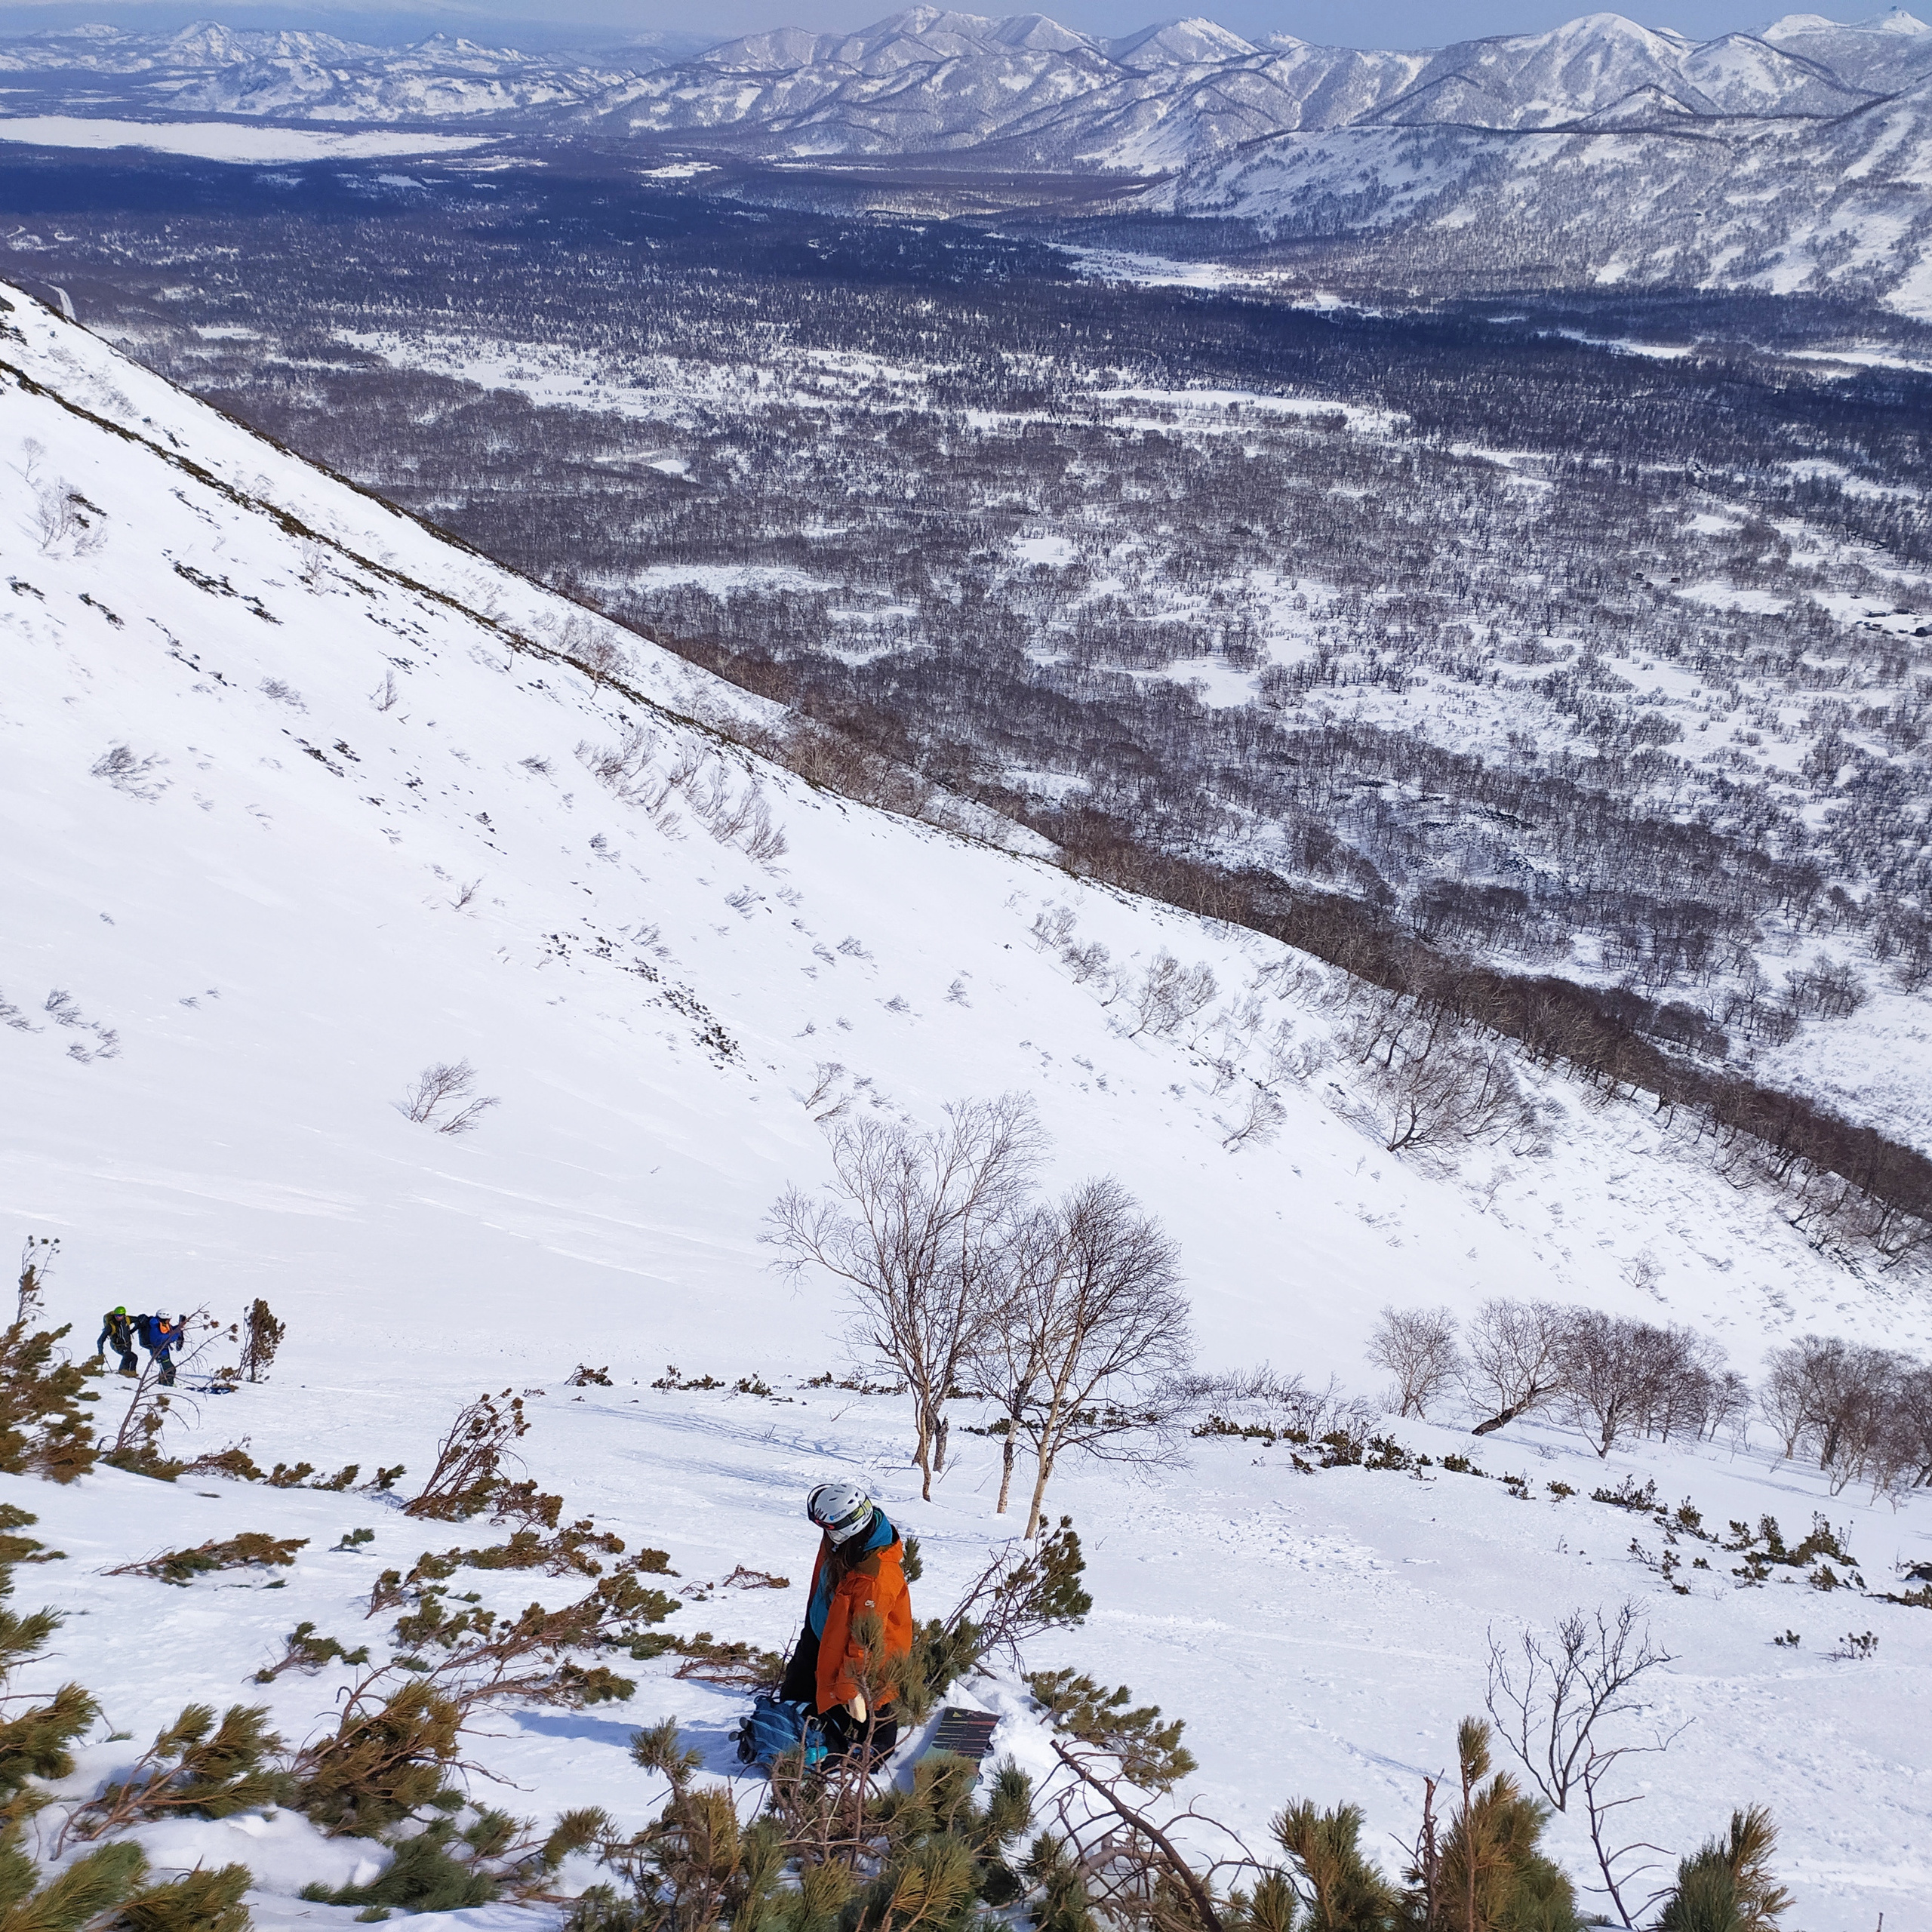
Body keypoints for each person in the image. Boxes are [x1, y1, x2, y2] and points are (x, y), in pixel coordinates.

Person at [779, 1481, 913, 1763]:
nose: (823, 1533)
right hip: (820, 1634)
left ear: (844, 1529)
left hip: (866, 1657)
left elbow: (865, 1640)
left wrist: (851, 1689)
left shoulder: (876, 1577)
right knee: (793, 1700)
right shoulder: (842, 1539)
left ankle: (873, 1753)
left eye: (826, 1527)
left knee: (872, 1703)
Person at [135, 1311, 186, 1386]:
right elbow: (161, 1339)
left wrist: (179, 1326)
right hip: (159, 1352)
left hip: (163, 1351)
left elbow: (170, 1330)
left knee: (165, 1369)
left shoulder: (161, 1324)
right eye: (168, 1319)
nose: (169, 1321)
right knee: (170, 1369)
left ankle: (163, 1384)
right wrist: (176, 1334)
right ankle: (168, 1386)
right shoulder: (155, 1327)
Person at [96, 1306, 139, 1377]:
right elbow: (100, 1340)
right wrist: (100, 1353)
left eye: (120, 1315)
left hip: (127, 1345)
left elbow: (138, 1320)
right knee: (132, 1357)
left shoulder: (127, 1320)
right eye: (116, 1315)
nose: (118, 1317)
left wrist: (132, 1330)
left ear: (124, 1315)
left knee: (129, 1358)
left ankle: (126, 1373)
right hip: (118, 1346)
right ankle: (128, 1374)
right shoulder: (111, 1326)